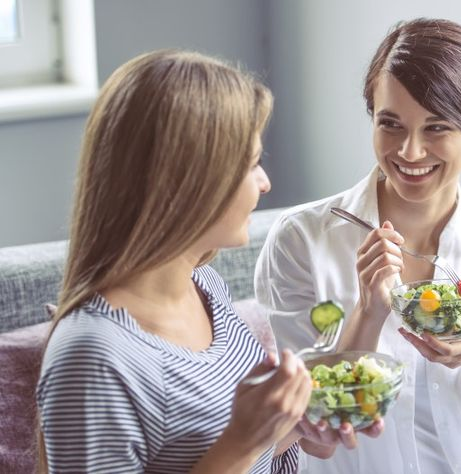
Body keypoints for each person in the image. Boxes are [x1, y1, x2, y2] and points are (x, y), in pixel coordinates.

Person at [255, 18, 461, 474]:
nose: (410, 152)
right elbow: (316, 438)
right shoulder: (300, 241)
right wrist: (367, 313)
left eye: (437, 128)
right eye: (390, 123)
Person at [36, 50, 318, 474]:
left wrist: (296, 427)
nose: (264, 183)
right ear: (189, 183)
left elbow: (231, 453)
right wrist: (241, 442)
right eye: (251, 164)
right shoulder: (93, 358)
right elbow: (233, 451)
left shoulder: (204, 285)